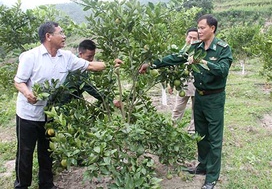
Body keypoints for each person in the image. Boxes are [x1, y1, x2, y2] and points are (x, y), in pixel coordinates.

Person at [13, 21, 122, 189]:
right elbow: (19, 81)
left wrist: (111, 63)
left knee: (47, 151)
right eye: (61, 33)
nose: (64, 36)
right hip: (28, 114)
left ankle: (47, 185)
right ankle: (21, 186)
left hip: (50, 114)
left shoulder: (67, 57)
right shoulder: (31, 56)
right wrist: (28, 93)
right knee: (25, 153)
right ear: (49, 36)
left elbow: (91, 65)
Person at [139, 14, 233, 189]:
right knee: (201, 134)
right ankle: (202, 166)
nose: (199, 31)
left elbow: (222, 70)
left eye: (202, 28)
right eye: (198, 28)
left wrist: (202, 61)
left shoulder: (222, 48)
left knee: (214, 138)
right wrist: (152, 64)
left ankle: (212, 177)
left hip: (214, 98)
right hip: (200, 96)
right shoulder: (195, 46)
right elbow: (176, 57)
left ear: (212, 28)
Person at [58, 39, 120, 108]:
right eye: (89, 56)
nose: (91, 59)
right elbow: (90, 88)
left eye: (93, 56)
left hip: (72, 100)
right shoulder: (77, 69)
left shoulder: (79, 62)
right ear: (80, 54)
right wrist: (110, 100)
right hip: (62, 103)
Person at [169, 28, 198, 133]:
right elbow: (174, 69)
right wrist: (171, 85)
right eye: (190, 37)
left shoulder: (200, 52)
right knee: (178, 108)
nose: (192, 40)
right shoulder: (181, 51)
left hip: (196, 85)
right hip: (183, 85)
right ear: (186, 37)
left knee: (196, 110)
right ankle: (173, 128)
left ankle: (192, 130)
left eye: (195, 38)